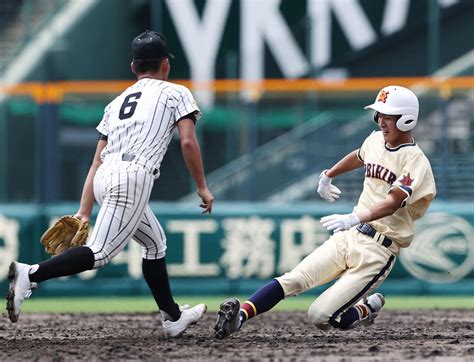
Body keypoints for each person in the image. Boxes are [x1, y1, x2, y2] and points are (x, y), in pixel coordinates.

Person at [7, 30, 214, 338]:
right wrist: (202, 186)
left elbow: (96, 161)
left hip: (107, 177)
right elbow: (187, 142)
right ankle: (31, 274)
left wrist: (84, 210)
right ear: (166, 65)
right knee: (100, 252)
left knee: (155, 243)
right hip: (133, 177)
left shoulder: (116, 103)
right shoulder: (176, 92)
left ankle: (172, 317)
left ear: (134, 67)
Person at [214, 85, 436, 338]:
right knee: (294, 279)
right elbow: (359, 156)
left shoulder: (416, 162)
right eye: (380, 115)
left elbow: (393, 202)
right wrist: (329, 174)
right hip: (350, 235)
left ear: (407, 119)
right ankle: (239, 318)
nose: (381, 121)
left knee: (320, 316)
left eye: (388, 116)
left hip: (378, 250)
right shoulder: (375, 140)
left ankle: (365, 309)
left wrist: (355, 216)